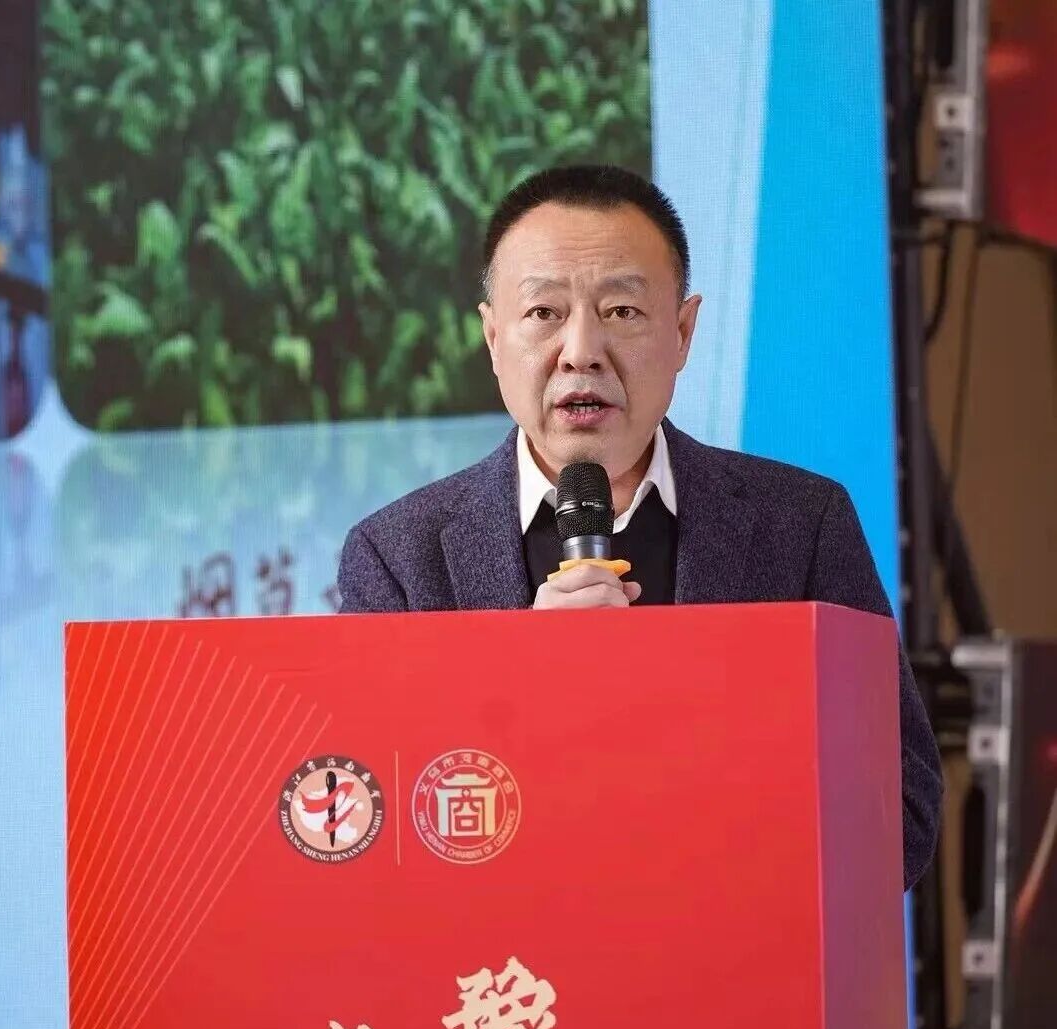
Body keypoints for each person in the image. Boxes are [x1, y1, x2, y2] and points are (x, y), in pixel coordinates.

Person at [338, 164, 943, 889]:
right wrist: (518, 682)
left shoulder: (802, 523)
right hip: (513, 959)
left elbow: (900, 819)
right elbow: (377, 848)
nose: (581, 350)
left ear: (683, 332)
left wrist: (680, 748)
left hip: (728, 954)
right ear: (493, 337)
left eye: (622, 311)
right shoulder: (399, 556)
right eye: (544, 313)